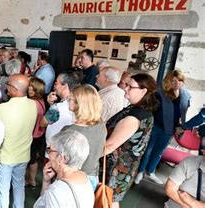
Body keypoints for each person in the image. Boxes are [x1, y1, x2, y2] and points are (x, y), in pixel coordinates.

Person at [103, 73, 157, 207]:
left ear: (144, 91)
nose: (125, 88)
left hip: (115, 168)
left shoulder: (134, 118)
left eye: (130, 87)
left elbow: (109, 146)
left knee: (107, 199)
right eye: (126, 85)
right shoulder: (141, 110)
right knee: (110, 199)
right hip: (124, 166)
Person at [135, 70, 192, 185]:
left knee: (158, 152)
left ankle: (150, 172)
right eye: (174, 80)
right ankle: (140, 172)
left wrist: (182, 124)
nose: (177, 83)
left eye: (180, 80)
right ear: (169, 81)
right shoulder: (161, 94)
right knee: (148, 150)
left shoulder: (186, 96)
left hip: (170, 129)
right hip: (156, 125)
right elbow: (152, 108)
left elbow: (184, 112)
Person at [0, 74, 37, 208]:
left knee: (3, 190)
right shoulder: (33, 105)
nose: (6, 88)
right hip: (23, 155)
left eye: (8, 85)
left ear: (15, 89)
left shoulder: (3, 108)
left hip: (6, 156)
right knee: (18, 187)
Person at [62, 84, 107, 190]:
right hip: (92, 177)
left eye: (70, 99)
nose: (67, 100)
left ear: (79, 104)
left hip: (73, 179)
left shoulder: (70, 131)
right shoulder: (101, 124)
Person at [34, 130, 94, 208]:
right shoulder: (85, 178)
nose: (48, 155)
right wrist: (46, 181)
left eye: (50, 151)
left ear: (61, 158)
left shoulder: (56, 192)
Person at [44, 70, 81, 150]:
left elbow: (43, 123)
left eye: (56, 83)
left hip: (54, 150)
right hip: (69, 147)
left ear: (65, 86)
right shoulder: (79, 102)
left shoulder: (58, 107)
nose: (54, 86)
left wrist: (51, 106)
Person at [26, 77, 47, 188]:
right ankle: (31, 180)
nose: (28, 88)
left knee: (31, 159)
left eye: (31, 86)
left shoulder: (32, 103)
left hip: (33, 135)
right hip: (39, 134)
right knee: (33, 158)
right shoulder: (41, 101)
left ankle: (31, 180)